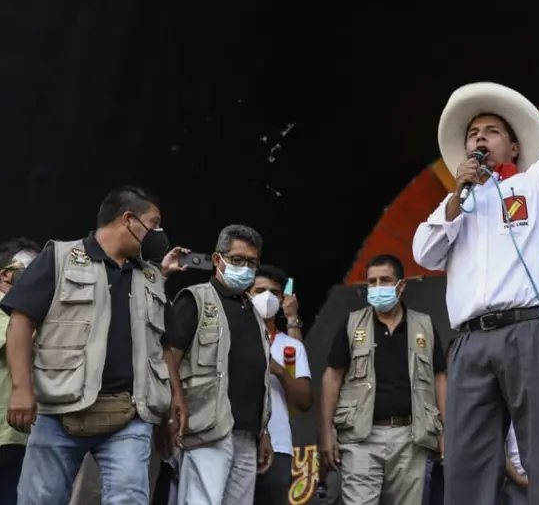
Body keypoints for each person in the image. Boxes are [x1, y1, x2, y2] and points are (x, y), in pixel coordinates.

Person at [411, 28, 539, 505]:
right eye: (472, 134)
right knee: (466, 465)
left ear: (514, 147)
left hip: (532, 329)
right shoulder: (458, 203)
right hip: (470, 342)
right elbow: (423, 253)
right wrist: (457, 197)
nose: (479, 138)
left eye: (491, 131)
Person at [2, 186, 183, 504]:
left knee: (129, 498)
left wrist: (174, 400)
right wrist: (21, 389)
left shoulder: (152, 277)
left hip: (130, 415)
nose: (158, 234)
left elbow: (164, 344)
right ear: (128, 219)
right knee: (41, 499)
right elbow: (20, 322)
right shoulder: (59, 258)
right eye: (153, 224)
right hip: (59, 410)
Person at [320, 254, 446, 505]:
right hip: (360, 437)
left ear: (401, 286)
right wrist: (325, 431)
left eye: (385, 280)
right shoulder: (353, 324)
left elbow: (439, 378)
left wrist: (446, 431)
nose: (377, 287)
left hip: (411, 438)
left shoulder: (424, 325)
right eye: (372, 281)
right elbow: (332, 377)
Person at [163, 224, 274, 505]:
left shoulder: (253, 312)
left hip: (247, 433)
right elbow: (168, 355)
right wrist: (175, 402)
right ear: (217, 259)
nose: (245, 268)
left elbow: (259, 379)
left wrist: (263, 433)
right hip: (205, 427)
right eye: (237, 259)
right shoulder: (196, 299)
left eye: (252, 262)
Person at [250, 265, 313, 505]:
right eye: (259, 291)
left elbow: (305, 401)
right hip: (235, 440)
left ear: (282, 298)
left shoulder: (291, 346)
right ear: (246, 293)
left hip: (278, 446)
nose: (266, 297)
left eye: (274, 292)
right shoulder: (230, 337)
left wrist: (280, 371)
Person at [0, 238, 40, 502]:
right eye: (31, 268)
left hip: (18, 434)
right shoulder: (12, 316)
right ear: (5, 274)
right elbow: (17, 338)